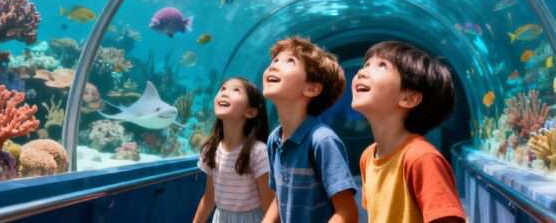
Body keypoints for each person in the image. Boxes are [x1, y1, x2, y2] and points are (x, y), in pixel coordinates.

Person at [352, 41, 466, 223]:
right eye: (366, 65)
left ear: (408, 98)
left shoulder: (421, 158)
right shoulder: (367, 158)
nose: (361, 72)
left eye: (382, 65)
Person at [261, 36, 358, 223]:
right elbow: (279, 198)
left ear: (312, 88)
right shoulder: (274, 140)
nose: (274, 66)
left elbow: (347, 214)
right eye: (275, 61)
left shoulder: (322, 140)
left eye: (290, 61)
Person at [193, 77, 274, 223]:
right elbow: (209, 198)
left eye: (236, 90)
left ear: (250, 112)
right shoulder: (210, 150)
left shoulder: (258, 152)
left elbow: (269, 205)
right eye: (223, 88)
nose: (224, 93)